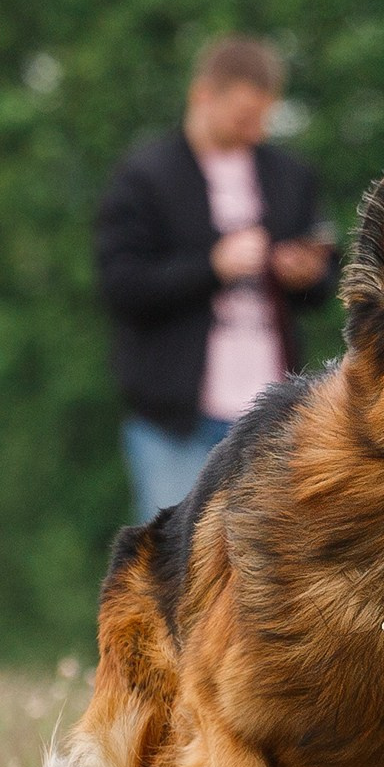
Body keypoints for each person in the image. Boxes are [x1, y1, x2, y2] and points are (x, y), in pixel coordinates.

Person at [94, 36, 335, 522]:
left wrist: (306, 271)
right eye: (244, 116)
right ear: (203, 95)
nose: (255, 129)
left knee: (269, 571)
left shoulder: (288, 175)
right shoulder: (144, 176)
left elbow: (327, 277)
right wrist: (213, 267)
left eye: (264, 116)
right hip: (176, 417)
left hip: (272, 415)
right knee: (173, 570)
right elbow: (121, 286)